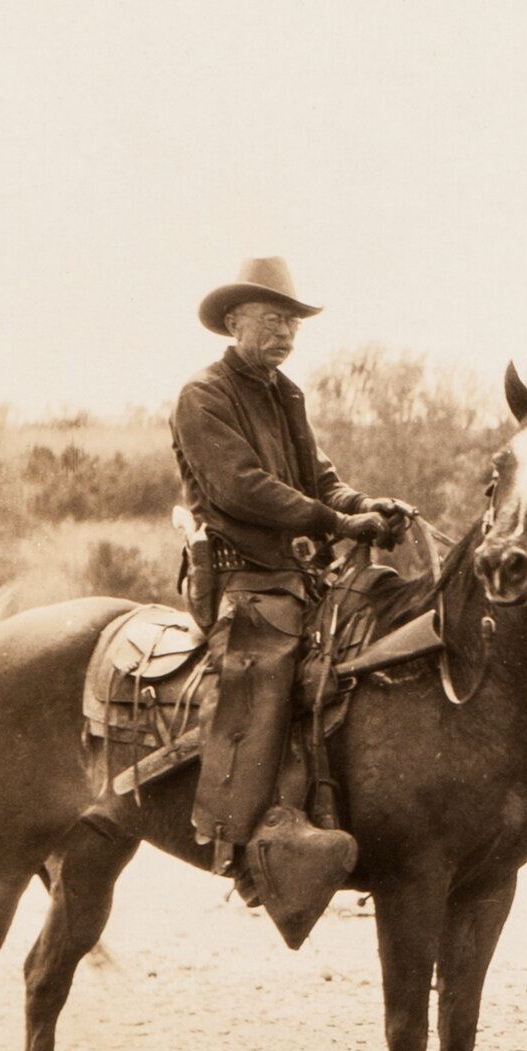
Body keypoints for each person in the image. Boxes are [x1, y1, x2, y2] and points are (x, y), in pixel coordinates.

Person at [170, 256, 412, 882]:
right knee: (266, 677)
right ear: (234, 321)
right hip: (243, 581)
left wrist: (364, 505)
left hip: (298, 577)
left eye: (294, 324)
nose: (286, 334)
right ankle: (242, 844)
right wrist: (334, 525)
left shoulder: (286, 395)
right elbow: (242, 488)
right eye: (273, 320)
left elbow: (320, 478)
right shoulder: (204, 396)